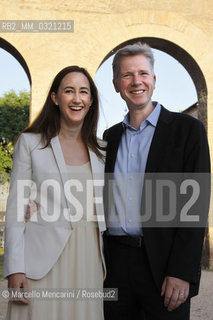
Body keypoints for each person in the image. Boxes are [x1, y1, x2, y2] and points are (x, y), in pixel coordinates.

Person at [103, 43, 210, 320]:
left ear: (153, 80)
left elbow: (195, 207)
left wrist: (181, 271)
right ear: (116, 84)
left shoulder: (188, 131)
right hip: (114, 267)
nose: (136, 81)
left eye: (143, 73)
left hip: (163, 267)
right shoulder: (109, 138)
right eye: (127, 75)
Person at [4, 65, 106, 320]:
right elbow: (17, 209)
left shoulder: (103, 151)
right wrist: (15, 269)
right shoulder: (31, 143)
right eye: (69, 91)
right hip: (40, 263)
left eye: (83, 92)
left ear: (91, 101)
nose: (76, 98)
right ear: (55, 97)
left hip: (88, 262)